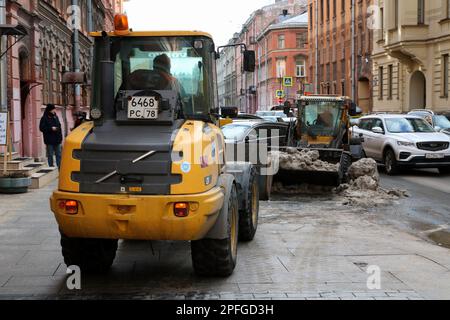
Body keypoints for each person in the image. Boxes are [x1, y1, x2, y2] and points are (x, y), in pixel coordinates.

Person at [39, 104, 63, 169]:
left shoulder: (55, 116)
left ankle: (60, 168)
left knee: (59, 154)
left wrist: (60, 137)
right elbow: (41, 128)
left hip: (57, 139)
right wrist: (51, 128)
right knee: (50, 154)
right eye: (53, 109)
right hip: (49, 140)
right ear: (50, 110)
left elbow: (59, 126)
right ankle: (51, 168)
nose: (54, 110)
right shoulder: (44, 118)